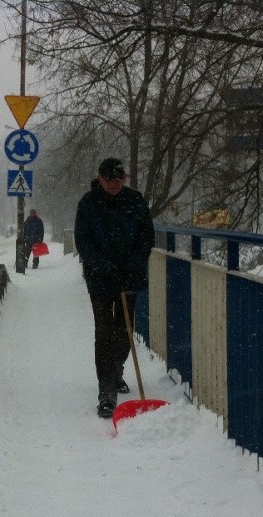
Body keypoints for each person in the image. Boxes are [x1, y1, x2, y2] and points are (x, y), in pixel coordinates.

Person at [75, 157, 155, 418]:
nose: (113, 184)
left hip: (130, 278)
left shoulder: (135, 201)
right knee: (104, 332)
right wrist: (105, 267)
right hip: (100, 279)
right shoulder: (88, 204)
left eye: (118, 179)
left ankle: (116, 369)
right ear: (100, 178)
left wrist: (132, 265)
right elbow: (83, 242)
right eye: (108, 179)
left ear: (125, 179)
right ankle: (107, 393)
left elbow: (147, 237)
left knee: (125, 333)